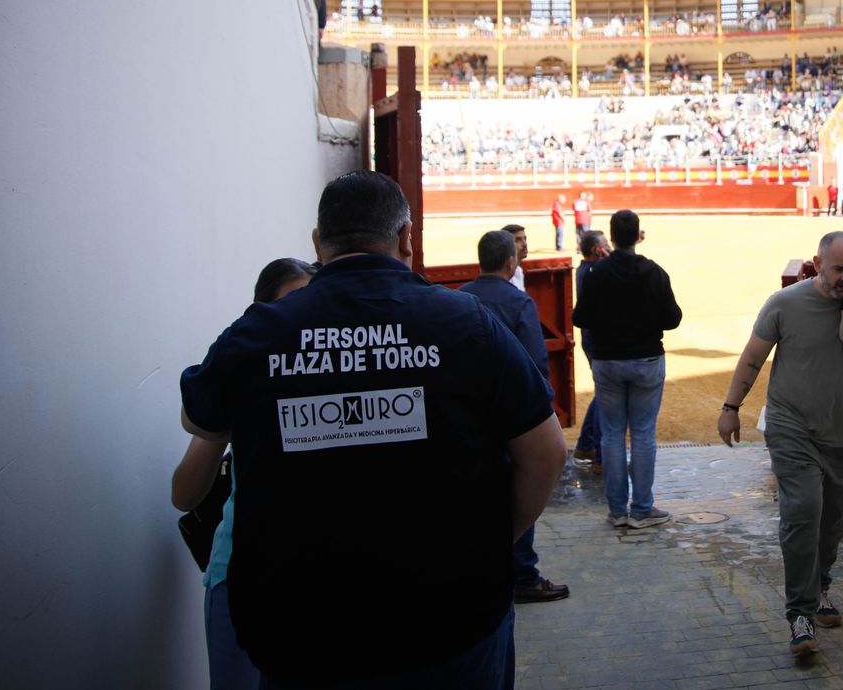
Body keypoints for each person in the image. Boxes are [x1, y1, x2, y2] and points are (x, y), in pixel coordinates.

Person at [179, 171, 564, 688]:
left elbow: (195, 418)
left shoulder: (260, 331)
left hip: (302, 632)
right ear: (407, 237)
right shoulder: (465, 323)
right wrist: (491, 542)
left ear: (318, 243)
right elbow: (546, 453)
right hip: (449, 622)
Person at [717, 231, 843, 656]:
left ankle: (820, 587)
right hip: (792, 426)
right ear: (818, 263)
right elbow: (753, 356)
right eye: (838, 268)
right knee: (803, 512)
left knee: (833, 521)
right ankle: (799, 614)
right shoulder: (785, 303)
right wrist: (731, 406)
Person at [172, 257, 315, 690]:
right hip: (239, 580)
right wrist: (230, 420)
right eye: (290, 306)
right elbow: (184, 494)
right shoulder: (245, 381)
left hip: (320, 580)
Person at [459, 231, 571, 604]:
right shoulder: (519, 302)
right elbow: (536, 364)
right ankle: (521, 571)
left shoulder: (457, 300)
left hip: (467, 414)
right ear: (510, 262)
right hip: (509, 417)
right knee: (519, 485)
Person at [571, 210, 682, 529]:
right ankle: (642, 508)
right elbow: (672, 319)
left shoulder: (597, 273)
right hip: (646, 360)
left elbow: (581, 318)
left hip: (608, 362)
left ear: (614, 237)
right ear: (637, 236)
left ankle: (617, 510)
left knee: (612, 435)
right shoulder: (654, 272)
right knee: (644, 434)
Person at [570, 230, 610, 468]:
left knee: (603, 392)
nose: (608, 248)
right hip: (597, 340)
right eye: (604, 245)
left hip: (591, 338)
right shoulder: (594, 272)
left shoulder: (587, 269)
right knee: (606, 394)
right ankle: (597, 452)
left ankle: (586, 446)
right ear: (596, 250)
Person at [502, 223, 528, 290]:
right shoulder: (502, 274)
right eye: (517, 240)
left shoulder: (518, 270)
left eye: (525, 239)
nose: (525, 244)